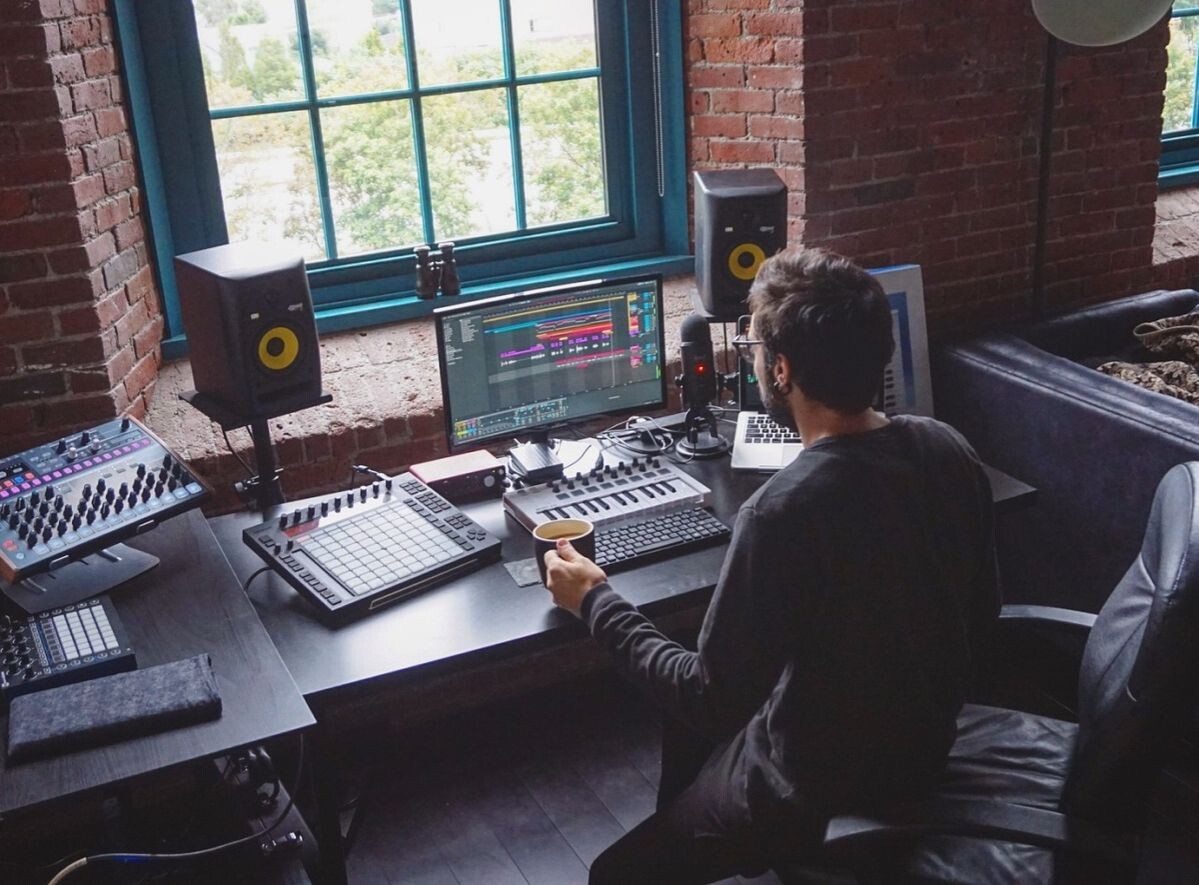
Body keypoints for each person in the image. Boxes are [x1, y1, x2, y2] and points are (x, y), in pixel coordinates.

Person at [542, 248, 1000, 884]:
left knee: (615, 874)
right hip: (923, 744)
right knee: (695, 734)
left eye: (756, 348)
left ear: (780, 370)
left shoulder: (783, 511)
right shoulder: (948, 447)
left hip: (814, 784)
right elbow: (982, 613)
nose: (755, 360)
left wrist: (595, 599)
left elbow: (708, 699)